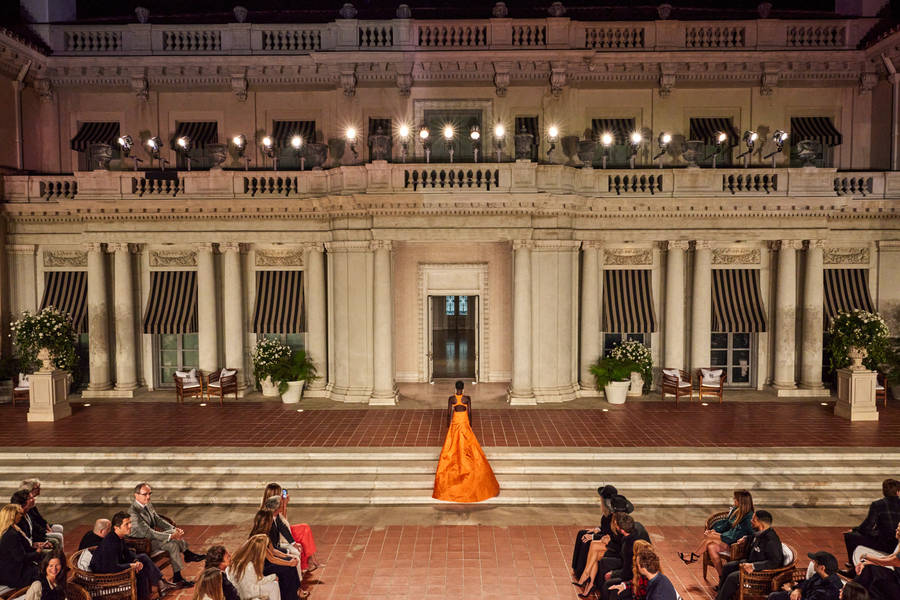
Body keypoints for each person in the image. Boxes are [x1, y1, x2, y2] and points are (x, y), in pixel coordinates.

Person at [432, 380, 499, 503]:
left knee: (453, 443)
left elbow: (448, 413)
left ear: (455, 388)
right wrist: (470, 425)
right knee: (468, 442)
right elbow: (470, 413)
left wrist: (448, 424)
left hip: (456, 422)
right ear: (463, 388)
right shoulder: (467, 398)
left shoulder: (451, 399)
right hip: (464, 422)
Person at [129, 482, 206, 587]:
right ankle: (188, 554)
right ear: (136, 495)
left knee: (173, 544)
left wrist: (173, 529)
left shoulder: (148, 504)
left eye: (149, 494)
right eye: (145, 494)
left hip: (153, 539)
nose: (148, 497)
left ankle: (178, 577)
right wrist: (171, 534)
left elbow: (158, 520)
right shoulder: (133, 513)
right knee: (173, 538)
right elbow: (148, 532)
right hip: (142, 543)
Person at [89, 511, 169, 600]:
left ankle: (161, 582)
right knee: (140, 572)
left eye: (130, 523)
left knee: (143, 557)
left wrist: (135, 561)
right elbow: (112, 567)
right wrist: (131, 565)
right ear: (116, 527)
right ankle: (148, 595)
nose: (130, 526)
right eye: (126, 524)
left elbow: (127, 553)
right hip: (105, 575)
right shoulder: (111, 543)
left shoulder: (119, 536)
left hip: (115, 565)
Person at [679, 489, 754, 578]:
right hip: (729, 540)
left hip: (738, 545)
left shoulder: (748, 518)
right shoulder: (735, 510)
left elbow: (736, 536)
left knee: (710, 538)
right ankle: (722, 578)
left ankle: (694, 556)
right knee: (711, 547)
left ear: (741, 502)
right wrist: (715, 530)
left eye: (735, 499)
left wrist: (717, 536)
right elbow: (726, 524)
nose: (733, 500)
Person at [715, 510, 784, 600]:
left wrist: (754, 566)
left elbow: (775, 562)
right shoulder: (760, 532)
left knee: (732, 578)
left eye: (753, 520)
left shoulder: (771, 541)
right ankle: (722, 595)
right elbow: (754, 536)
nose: (751, 521)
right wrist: (747, 538)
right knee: (728, 567)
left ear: (760, 523)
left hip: (760, 573)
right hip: (749, 562)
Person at [260, 483, 322, 573]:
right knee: (303, 531)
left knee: (304, 528)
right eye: (279, 493)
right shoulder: (267, 512)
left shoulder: (276, 506)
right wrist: (284, 505)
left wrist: (284, 504)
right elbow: (282, 524)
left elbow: (282, 524)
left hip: (283, 533)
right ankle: (308, 562)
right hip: (277, 541)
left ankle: (310, 561)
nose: (282, 495)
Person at [843, 479, 900, 573]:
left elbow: (866, 527)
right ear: (898, 492)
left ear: (884, 491)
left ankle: (853, 568)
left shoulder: (877, 504)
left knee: (850, 536)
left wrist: (854, 530)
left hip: (883, 543)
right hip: (897, 544)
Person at [248, 510, 307, 599]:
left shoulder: (266, 533)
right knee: (288, 567)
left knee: (291, 563)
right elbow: (271, 558)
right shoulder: (259, 537)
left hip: (268, 561)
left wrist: (288, 557)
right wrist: (289, 563)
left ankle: (294, 592)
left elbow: (273, 550)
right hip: (262, 566)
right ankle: (290, 596)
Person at [596, 513, 652, 600]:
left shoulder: (629, 546)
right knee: (604, 561)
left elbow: (627, 572)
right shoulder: (637, 526)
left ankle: (603, 593)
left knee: (607, 584)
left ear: (621, 530)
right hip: (629, 564)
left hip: (633, 573)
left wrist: (613, 573)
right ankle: (599, 590)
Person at [572, 485, 621, 580]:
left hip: (607, 540)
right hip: (602, 534)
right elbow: (604, 527)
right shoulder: (607, 513)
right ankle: (576, 568)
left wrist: (594, 537)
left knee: (586, 539)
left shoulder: (614, 516)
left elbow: (610, 536)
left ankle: (582, 572)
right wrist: (597, 529)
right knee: (582, 533)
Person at [768, 551, 842, 600]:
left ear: (822, 567)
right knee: (773, 596)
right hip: (802, 595)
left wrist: (790, 591)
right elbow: (806, 583)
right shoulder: (821, 575)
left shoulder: (829, 590)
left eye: (815, 562)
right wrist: (798, 590)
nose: (812, 562)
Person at [851, 527, 900, 600]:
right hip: (896, 577)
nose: (896, 529)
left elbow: (889, 562)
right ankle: (850, 591)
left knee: (870, 573)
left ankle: (849, 592)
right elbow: (888, 558)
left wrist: (866, 556)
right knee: (868, 569)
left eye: (899, 529)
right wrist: (868, 562)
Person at [227, 535, 280, 600]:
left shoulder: (237, 558)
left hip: (240, 592)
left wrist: (272, 577)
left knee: (272, 584)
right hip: (247, 594)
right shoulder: (249, 565)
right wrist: (273, 577)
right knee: (274, 586)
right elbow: (254, 586)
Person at [0, 503, 40, 588]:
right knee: (46, 571)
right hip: (13, 574)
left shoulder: (11, 530)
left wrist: (34, 547)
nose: (21, 516)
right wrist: (37, 552)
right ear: (12, 516)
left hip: (13, 568)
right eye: (19, 513)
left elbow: (21, 549)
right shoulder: (11, 534)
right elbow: (21, 557)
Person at [18, 480, 64, 550]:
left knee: (59, 528)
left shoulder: (31, 503)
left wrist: (47, 526)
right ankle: (59, 556)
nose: (40, 489)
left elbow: (39, 518)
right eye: (38, 488)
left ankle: (59, 556)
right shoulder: (25, 505)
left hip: (39, 529)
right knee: (58, 536)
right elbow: (33, 525)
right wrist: (44, 531)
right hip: (36, 533)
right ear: (31, 489)